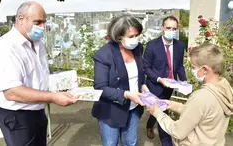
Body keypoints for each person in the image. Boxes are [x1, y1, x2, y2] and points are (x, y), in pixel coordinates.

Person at [0, 1, 77, 146]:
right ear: (21, 19)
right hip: (17, 115)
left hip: (37, 109)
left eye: (44, 22)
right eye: (38, 22)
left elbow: (38, 76)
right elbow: (12, 92)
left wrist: (58, 88)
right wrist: (53, 97)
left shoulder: (37, 43)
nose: (42, 27)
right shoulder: (5, 48)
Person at [148, 43, 233, 146]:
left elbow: (177, 131)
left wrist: (157, 113)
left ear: (205, 69)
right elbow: (201, 114)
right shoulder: (224, 88)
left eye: (193, 67)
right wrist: (172, 105)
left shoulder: (201, 97)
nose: (192, 70)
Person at [92, 15, 148, 146]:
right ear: (118, 36)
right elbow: (100, 87)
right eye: (131, 36)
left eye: (137, 35)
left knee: (130, 142)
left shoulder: (138, 48)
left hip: (133, 108)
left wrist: (143, 85)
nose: (135, 40)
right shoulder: (104, 54)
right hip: (111, 110)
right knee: (111, 143)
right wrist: (127, 94)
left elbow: (139, 72)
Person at [143, 16, 187, 145]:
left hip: (170, 86)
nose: (171, 31)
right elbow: (146, 67)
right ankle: (165, 141)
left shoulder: (179, 45)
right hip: (154, 85)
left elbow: (179, 66)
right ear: (162, 28)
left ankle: (150, 124)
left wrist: (183, 82)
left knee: (160, 108)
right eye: (168, 28)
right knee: (162, 110)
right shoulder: (152, 45)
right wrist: (159, 79)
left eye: (174, 28)